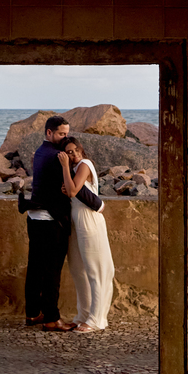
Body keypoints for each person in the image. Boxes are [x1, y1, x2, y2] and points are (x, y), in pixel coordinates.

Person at [22, 116, 77, 331]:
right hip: (50, 220)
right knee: (52, 270)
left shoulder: (39, 152)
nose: (65, 138)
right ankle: (52, 318)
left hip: (34, 218)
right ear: (49, 133)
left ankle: (33, 313)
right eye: (61, 134)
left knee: (35, 268)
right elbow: (68, 188)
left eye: (66, 133)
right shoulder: (56, 156)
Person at [57, 137, 115, 333]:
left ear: (81, 149)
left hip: (89, 220)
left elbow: (73, 191)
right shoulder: (74, 169)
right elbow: (71, 190)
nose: (73, 155)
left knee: (95, 269)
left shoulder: (84, 164)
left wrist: (65, 166)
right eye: (68, 152)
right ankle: (83, 315)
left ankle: (97, 319)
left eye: (74, 151)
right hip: (76, 221)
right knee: (77, 269)